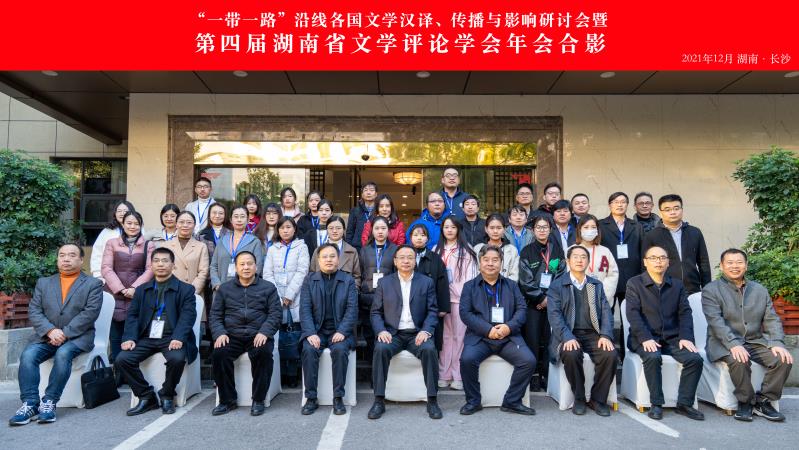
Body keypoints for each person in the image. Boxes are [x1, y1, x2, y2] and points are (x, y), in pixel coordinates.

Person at [9, 244, 103, 426]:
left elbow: (90, 313)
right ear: (58, 259)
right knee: (28, 355)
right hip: (46, 336)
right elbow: (34, 310)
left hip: (78, 337)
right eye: (62, 255)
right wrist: (50, 331)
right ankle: (30, 403)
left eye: (72, 255)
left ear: (81, 260)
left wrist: (64, 333)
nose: (66, 259)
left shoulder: (93, 284)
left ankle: (49, 402)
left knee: (63, 353)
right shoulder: (43, 282)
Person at [702, 248, 793, 422]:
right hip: (723, 343)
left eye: (739, 262)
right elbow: (715, 322)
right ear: (722, 265)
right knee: (739, 360)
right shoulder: (711, 290)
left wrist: (777, 342)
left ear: (746, 265)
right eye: (730, 263)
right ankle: (745, 401)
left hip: (754, 341)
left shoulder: (759, 290)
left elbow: (772, 319)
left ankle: (763, 400)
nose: (734, 266)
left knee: (783, 359)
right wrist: (733, 344)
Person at [625, 246, 705, 421]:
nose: (658, 261)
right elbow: (633, 314)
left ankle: (684, 404)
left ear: (668, 262)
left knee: (695, 359)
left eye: (662, 258)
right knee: (653, 357)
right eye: (653, 258)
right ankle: (656, 403)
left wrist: (686, 337)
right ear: (645, 262)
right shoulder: (635, 283)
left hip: (672, 337)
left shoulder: (677, 285)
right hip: (643, 337)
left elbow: (685, 313)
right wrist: (645, 338)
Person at [116, 247, 198, 416]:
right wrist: (129, 337)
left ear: (173, 265)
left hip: (172, 337)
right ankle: (146, 396)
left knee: (177, 359)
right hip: (146, 337)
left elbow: (188, 316)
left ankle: (167, 394)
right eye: (156, 261)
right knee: (122, 359)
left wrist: (178, 337)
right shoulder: (142, 289)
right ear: (151, 265)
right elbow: (132, 316)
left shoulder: (186, 289)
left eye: (165, 261)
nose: (160, 264)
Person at [459, 245, 537, 416]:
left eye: (495, 260)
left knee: (528, 361)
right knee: (467, 360)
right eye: (486, 260)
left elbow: (522, 309)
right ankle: (473, 401)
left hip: (508, 337)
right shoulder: (469, 286)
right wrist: (488, 330)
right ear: (480, 263)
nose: (490, 263)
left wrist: (508, 327)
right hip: (480, 337)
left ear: (501, 263)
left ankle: (512, 401)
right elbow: (465, 313)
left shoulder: (512, 285)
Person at [368, 246, 441, 420]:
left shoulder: (426, 282)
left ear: (415, 261)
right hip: (393, 334)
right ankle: (379, 400)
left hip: (417, 333)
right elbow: (375, 312)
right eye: (402, 257)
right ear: (395, 261)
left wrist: (426, 330)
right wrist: (381, 330)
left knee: (429, 350)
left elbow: (432, 311)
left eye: (410, 257)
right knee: (380, 349)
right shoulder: (385, 283)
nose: (406, 261)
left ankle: (432, 400)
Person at [547, 245, 617, 416]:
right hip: (568, 333)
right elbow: (554, 316)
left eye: (583, 257)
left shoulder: (595, 284)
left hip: (593, 334)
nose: (579, 260)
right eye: (575, 257)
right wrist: (567, 337)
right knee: (571, 353)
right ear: (568, 261)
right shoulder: (557, 285)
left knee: (610, 354)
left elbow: (606, 312)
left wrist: (605, 335)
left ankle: (597, 399)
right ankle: (579, 397)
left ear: (588, 261)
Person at [210, 251, 281, 416]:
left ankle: (258, 399)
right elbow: (215, 315)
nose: (246, 267)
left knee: (263, 353)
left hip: (257, 335)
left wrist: (265, 332)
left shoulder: (268, 288)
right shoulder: (225, 289)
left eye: (250, 263)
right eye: (242, 264)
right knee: (219, 354)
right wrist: (220, 333)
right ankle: (227, 400)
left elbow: (275, 314)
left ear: (256, 267)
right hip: (231, 335)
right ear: (235, 267)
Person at [299, 244, 359, 416]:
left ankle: (338, 397)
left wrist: (342, 331)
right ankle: (311, 398)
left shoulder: (347, 280)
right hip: (316, 331)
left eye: (332, 256)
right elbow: (305, 309)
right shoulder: (310, 280)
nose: (329, 260)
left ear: (338, 259)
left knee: (340, 350)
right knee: (309, 350)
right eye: (324, 257)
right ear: (318, 260)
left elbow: (352, 310)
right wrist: (311, 333)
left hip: (340, 332)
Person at [519, 216, 566, 390]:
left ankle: (547, 374)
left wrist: (549, 299)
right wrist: (540, 298)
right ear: (533, 230)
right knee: (531, 340)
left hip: (552, 304)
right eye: (538, 227)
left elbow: (561, 276)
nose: (542, 230)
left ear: (550, 229)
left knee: (549, 341)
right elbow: (525, 280)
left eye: (545, 227)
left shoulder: (557, 251)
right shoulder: (527, 251)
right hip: (532, 304)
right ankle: (533, 376)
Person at [263, 217, 310, 387]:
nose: (285, 230)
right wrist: (276, 296)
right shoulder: (272, 248)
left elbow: (302, 271)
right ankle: (281, 372)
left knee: (294, 333)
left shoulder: (301, 247)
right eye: (282, 228)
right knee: (279, 334)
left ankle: (293, 373)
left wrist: (289, 295)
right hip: (275, 297)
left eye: (288, 227)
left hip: (295, 296)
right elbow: (267, 273)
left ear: (294, 229)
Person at [102, 211, 154, 362]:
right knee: (115, 337)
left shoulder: (148, 245)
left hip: (137, 297)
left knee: (135, 335)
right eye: (129, 223)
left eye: (136, 223)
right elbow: (106, 268)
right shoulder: (112, 243)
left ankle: (129, 368)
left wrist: (134, 289)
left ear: (141, 225)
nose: (132, 226)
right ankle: (117, 370)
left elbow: (150, 269)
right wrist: (121, 289)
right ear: (123, 224)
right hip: (115, 295)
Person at [435, 216, 478, 390]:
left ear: (459, 229)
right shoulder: (436, 249)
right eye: (446, 227)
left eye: (453, 227)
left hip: (460, 301)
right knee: (445, 338)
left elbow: (472, 277)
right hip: (442, 302)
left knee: (460, 338)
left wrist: (467, 299)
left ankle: (458, 376)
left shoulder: (467, 250)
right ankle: (444, 374)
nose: (449, 230)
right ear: (442, 230)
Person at [643, 194, 711, 295]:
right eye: (667, 209)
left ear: (682, 210)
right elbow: (646, 266)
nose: (673, 212)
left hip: (692, 288)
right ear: (661, 213)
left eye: (676, 208)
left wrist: (707, 288)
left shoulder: (695, 232)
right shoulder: (652, 235)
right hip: (664, 289)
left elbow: (703, 262)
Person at [358, 217, 398, 368]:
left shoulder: (395, 250)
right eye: (377, 228)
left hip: (388, 300)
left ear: (388, 231)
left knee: (384, 335)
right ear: (372, 231)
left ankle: (383, 370)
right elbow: (360, 273)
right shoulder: (365, 250)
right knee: (369, 335)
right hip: (367, 299)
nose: (380, 232)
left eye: (383, 228)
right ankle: (372, 371)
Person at [408, 224, 450, 351]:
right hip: (409, 303)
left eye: (422, 235)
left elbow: (442, 283)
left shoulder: (435, 258)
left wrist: (443, 307)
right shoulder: (405, 257)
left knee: (432, 339)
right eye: (415, 235)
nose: (419, 238)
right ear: (410, 238)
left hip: (431, 305)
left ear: (427, 238)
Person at [210, 206, 265, 291]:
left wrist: (246, 286)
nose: (239, 220)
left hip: (245, 291)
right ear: (231, 220)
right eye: (236, 216)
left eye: (242, 217)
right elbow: (213, 266)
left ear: (248, 220)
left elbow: (258, 267)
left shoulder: (254, 242)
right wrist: (217, 285)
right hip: (221, 289)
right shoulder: (222, 240)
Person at [160, 211, 209, 296]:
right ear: (176, 224)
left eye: (189, 222)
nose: (185, 225)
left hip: (193, 293)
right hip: (170, 292)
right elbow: (162, 269)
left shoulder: (201, 246)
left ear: (194, 225)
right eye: (181, 222)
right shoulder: (165, 245)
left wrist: (192, 291)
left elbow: (203, 272)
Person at [575, 215, 619, 302]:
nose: (590, 230)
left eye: (593, 227)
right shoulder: (572, 250)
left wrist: (602, 295)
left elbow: (613, 274)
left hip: (602, 300)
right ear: (580, 230)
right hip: (580, 301)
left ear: (597, 230)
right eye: (586, 227)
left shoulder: (605, 251)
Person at [309, 216, 362, 287]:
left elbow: (357, 277)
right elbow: (312, 273)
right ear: (327, 230)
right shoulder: (318, 251)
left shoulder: (352, 251)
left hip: (345, 292)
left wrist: (352, 291)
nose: (334, 231)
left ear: (344, 229)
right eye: (331, 228)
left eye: (338, 228)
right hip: (321, 291)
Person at [91, 200, 135, 280]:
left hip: (132, 275)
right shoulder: (107, 231)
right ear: (115, 213)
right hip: (108, 275)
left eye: (125, 211)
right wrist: (98, 274)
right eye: (119, 211)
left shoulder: (138, 230)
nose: (122, 213)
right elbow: (97, 252)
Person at [473, 213, 519, 281]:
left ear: (504, 229)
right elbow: (474, 272)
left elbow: (515, 275)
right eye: (492, 228)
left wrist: (500, 285)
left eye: (499, 228)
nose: (495, 231)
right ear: (486, 229)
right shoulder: (477, 248)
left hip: (506, 287)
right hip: (481, 286)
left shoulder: (512, 250)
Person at [346, 181, 378, 251]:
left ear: (376, 194)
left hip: (375, 247)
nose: (368, 192)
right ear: (362, 194)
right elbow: (349, 232)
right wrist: (349, 248)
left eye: (371, 190)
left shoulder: (379, 211)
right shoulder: (355, 211)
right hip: (357, 248)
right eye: (365, 190)